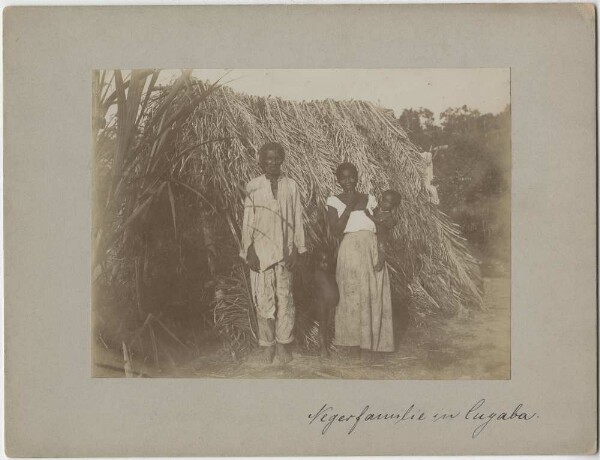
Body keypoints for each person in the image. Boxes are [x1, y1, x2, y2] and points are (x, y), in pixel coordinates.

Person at [240, 142, 307, 364]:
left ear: (282, 159)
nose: (272, 163)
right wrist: (249, 250)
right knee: (263, 300)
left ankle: (283, 345)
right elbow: (248, 221)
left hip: (285, 252)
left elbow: (297, 219)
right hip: (261, 252)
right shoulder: (254, 186)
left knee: (285, 300)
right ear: (260, 161)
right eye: (268, 159)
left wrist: (297, 249)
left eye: (277, 158)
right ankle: (267, 346)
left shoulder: (291, 186)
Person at [326, 163, 394, 360]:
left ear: (357, 177)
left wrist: (381, 254)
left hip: (371, 248)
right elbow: (336, 230)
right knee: (351, 295)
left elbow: (382, 227)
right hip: (350, 251)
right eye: (343, 178)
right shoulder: (334, 201)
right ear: (338, 180)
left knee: (372, 294)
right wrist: (349, 206)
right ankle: (353, 346)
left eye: (351, 177)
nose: (348, 181)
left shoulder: (370, 199)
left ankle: (370, 346)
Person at [311, 248, 339, 358]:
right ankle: (322, 348)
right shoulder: (317, 274)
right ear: (317, 262)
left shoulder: (330, 274)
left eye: (327, 261)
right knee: (323, 325)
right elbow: (316, 290)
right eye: (322, 262)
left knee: (327, 325)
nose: (325, 264)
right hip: (322, 304)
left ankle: (325, 346)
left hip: (330, 304)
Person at [372, 190, 402, 272]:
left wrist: (369, 215)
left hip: (382, 235)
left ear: (393, 206)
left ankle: (380, 263)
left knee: (381, 247)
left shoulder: (389, 216)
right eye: (383, 199)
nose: (383, 203)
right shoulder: (377, 210)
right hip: (374, 233)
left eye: (387, 202)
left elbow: (389, 224)